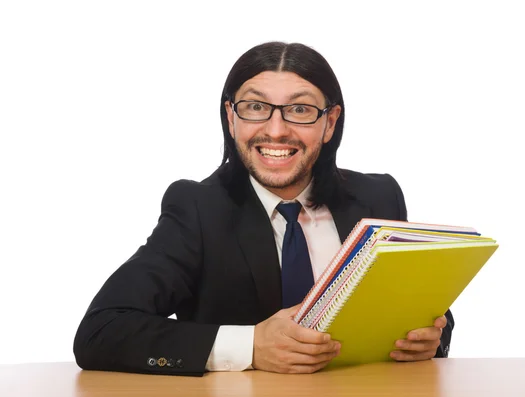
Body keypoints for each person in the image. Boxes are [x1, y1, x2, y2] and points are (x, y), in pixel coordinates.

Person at [73, 41, 454, 376]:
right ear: (231, 118)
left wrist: (428, 337)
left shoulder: (378, 196)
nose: (275, 131)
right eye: (255, 107)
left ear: (329, 123)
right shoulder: (197, 208)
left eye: (300, 110)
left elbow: (421, 305)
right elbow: (101, 331)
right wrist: (251, 346)